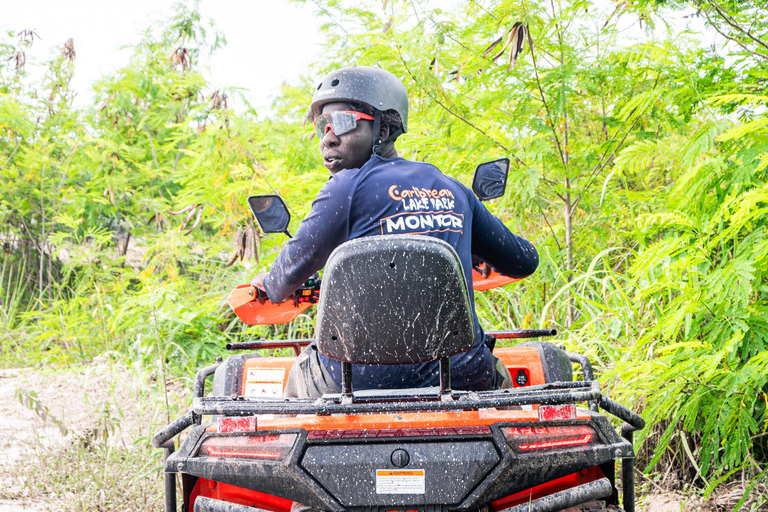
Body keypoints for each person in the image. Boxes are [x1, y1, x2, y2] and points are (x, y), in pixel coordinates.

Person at [251, 66, 538, 398]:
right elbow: (523, 262)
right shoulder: (454, 191)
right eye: (321, 126)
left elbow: (283, 281)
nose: (328, 137)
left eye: (342, 122)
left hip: (351, 381)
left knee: (297, 382)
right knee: (502, 382)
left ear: (384, 128)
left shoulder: (344, 188)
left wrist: (268, 283)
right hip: (460, 376)